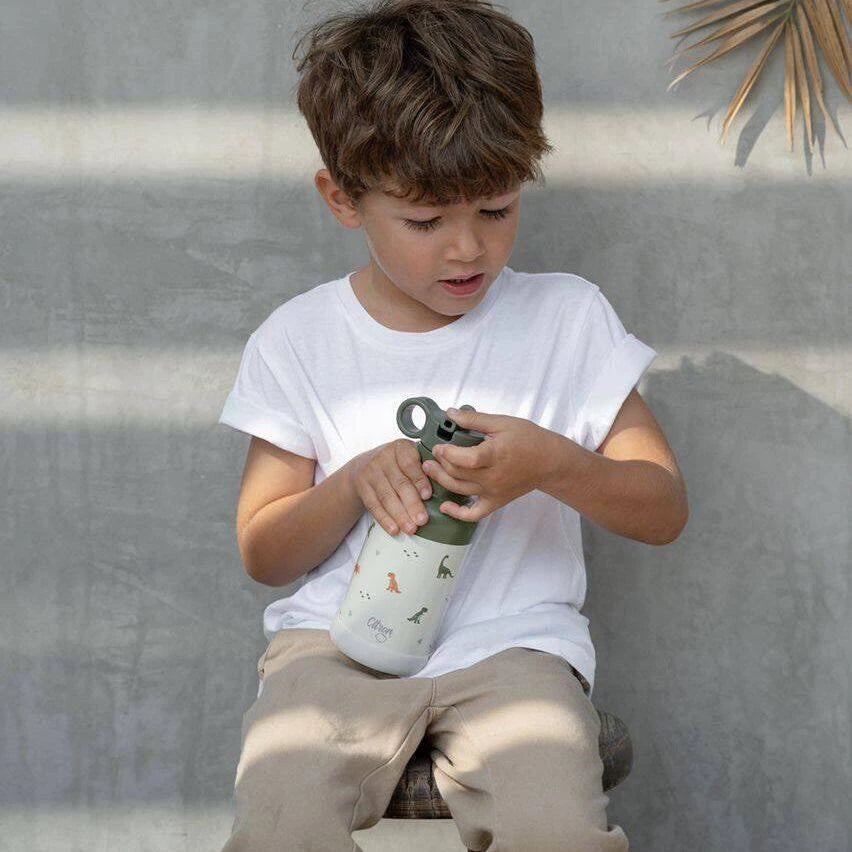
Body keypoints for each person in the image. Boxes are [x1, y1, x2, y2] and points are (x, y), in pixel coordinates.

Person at [217, 1, 688, 849]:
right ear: (342, 198)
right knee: (282, 816)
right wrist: (354, 484)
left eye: (496, 210)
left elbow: (662, 509)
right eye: (426, 222)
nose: (467, 249)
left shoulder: (567, 320)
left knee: (557, 828)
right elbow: (264, 551)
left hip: (515, 653)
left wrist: (552, 464)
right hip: (333, 651)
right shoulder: (299, 340)